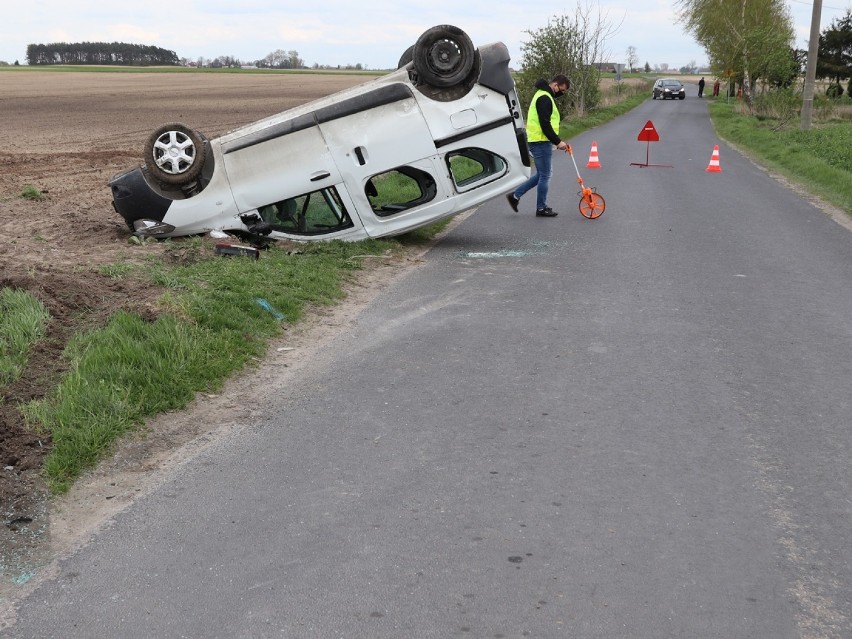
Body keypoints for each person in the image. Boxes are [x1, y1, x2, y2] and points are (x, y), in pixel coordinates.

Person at [506, 74, 571, 217]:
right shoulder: (544, 98)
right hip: (540, 141)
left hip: (539, 141)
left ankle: (515, 196)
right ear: (555, 85)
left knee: (542, 174)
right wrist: (558, 142)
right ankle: (541, 208)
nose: (562, 93)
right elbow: (545, 124)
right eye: (562, 89)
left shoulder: (543, 95)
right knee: (546, 175)